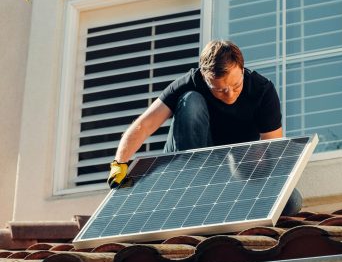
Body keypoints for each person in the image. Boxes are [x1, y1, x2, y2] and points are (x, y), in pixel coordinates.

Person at [107, 40, 302, 215]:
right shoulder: (188, 83)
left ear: (242, 70)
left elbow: (274, 150)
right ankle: (191, 184)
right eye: (219, 89)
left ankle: (222, 197)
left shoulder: (262, 91)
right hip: (188, 166)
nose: (230, 95)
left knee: (291, 201)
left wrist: (263, 181)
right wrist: (119, 164)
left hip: (232, 170)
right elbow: (144, 125)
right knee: (190, 101)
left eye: (236, 86)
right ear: (204, 77)